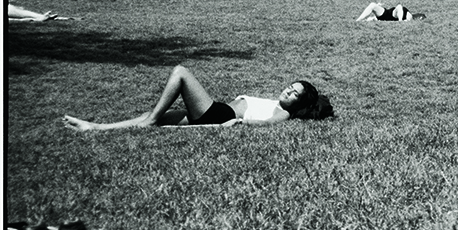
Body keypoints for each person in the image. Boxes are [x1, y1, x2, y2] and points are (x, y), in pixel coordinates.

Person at [62, 65, 332, 130]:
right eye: (290, 86)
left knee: (181, 73)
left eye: (294, 93)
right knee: (152, 118)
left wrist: (236, 124)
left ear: (299, 102)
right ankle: (96, 127)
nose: (287, 90)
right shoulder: (277, 102)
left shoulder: (283, 113)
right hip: (216, 110)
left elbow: (265, 125)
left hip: (219, 114)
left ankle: (150, 120)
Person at [355, 2, 425, 21]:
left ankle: (358, 20)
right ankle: (360, 20)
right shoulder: (408, 16)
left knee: (372, 5)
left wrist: (400, 20)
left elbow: (399, 7)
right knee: (373, 5)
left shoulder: (408, 15)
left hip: (386, 14)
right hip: (386, 14)